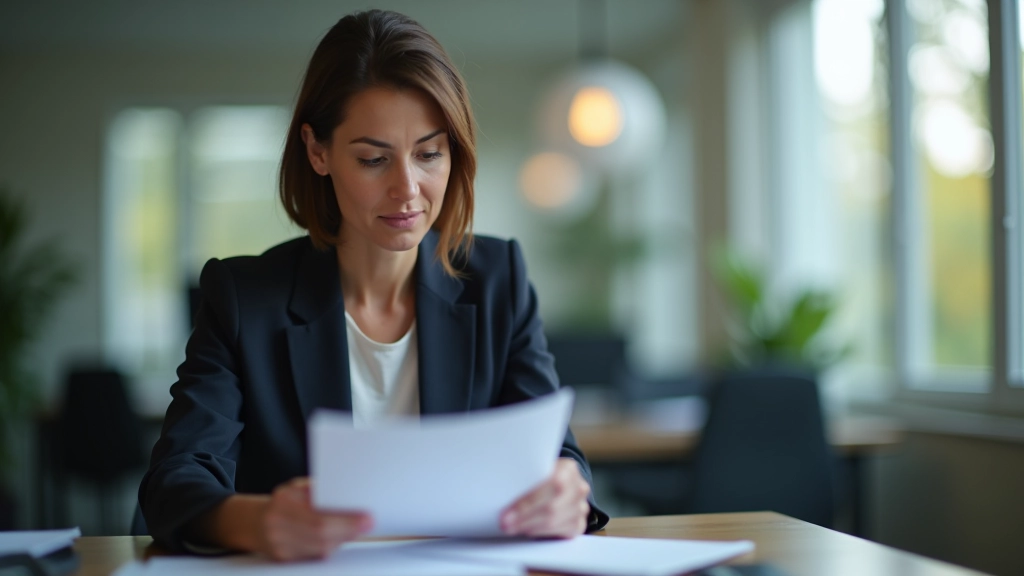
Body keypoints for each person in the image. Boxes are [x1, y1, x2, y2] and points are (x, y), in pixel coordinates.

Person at [139, 9, 609, 561]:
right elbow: (174, 481)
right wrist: (261, 520)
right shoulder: (245, 298)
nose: (407, 189)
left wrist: (566, 492)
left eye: (429, 154)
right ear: (318, 152)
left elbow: (558, 457)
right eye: (372, 159)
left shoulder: (498, 278)